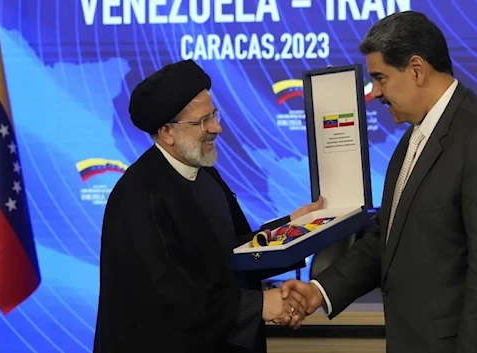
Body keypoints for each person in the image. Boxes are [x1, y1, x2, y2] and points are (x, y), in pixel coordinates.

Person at [280, 11, 477, 353]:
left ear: (417, 69)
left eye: (381, 78)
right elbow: (385, 239)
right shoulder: (413, 140)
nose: (374, 92)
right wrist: (320, 290)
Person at [92, 59, 320, 353]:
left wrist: (291, 228)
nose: (217, 128)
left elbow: (235, 252)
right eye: (203, 121)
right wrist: (262, 304)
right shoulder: (138, 196)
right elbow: (171, 303)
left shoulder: (205, 175)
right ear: (167, 132)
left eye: (214, 115)